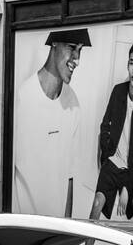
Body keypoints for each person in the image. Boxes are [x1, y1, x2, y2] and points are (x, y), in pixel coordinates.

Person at [12, 28, 90, 218]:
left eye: (80, 50)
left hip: (55, 233)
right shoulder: (22, 98)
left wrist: (66, 230)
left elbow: (70, 177)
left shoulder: (73, 103)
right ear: (54, 43)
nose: (77, 59)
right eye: (72, 48)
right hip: (26, 229)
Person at [90, 41, 133, 221]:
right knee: (96, 206)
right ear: (127, 65)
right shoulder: (118, 92)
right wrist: (106, 158)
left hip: (131, 170)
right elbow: (105, 125)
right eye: (131, 63)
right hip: (112, 163)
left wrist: (127, 186)